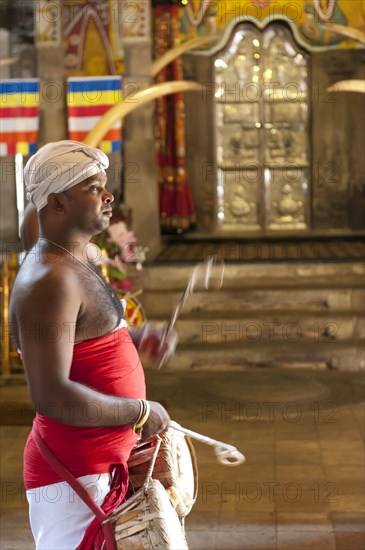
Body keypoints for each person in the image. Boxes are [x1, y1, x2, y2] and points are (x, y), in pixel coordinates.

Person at [9, 140, 176, 549]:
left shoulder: (79, 258)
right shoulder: (49, 280)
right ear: (58, 203)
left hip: (103, 464)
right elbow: (52, 396)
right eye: (92, 187)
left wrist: (132, 337)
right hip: (73, 477)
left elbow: (81, 335)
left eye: (104, 185)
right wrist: (138, 411)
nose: (108, 195)